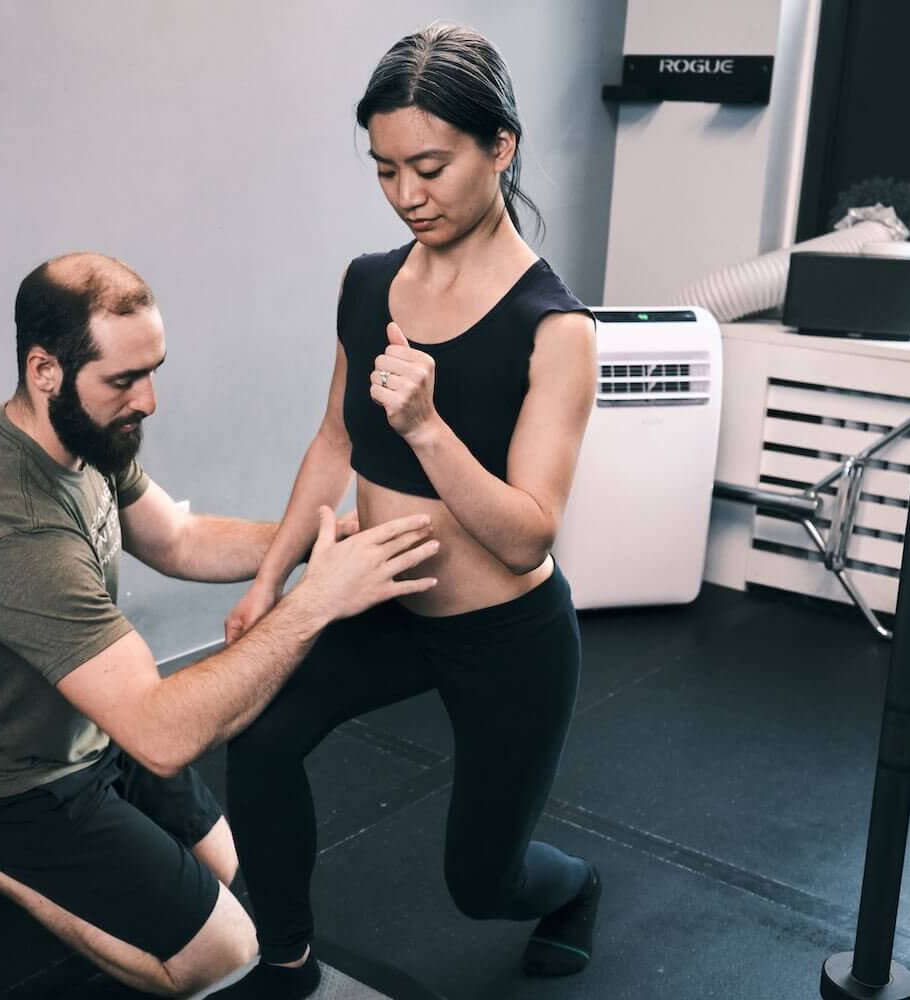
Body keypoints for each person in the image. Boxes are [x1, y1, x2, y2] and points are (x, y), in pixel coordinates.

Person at [0, 252, 440, 998]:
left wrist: (313, 546)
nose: (147, 400)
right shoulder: (12, 533)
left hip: (96, 739)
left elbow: (176, 540)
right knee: (222, 956)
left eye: (152, 371)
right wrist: (317, 601)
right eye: (124, 380)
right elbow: (162, 734)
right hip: (12, 786)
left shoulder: (84, 438)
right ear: (44, 368)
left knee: (240, 871)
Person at [217, 23, 601, 998]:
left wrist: (428, 427)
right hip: (385, 601)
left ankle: (577, 887)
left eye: (429, 166)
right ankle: (288, 957)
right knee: (256, 737)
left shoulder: (552, 327)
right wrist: (271, 583)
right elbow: (334, 442)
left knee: (481, 882)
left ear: (499, 147)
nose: (407, 194)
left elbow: (527, 538)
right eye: (386, 169)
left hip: (508, 634)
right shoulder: (367, 283)